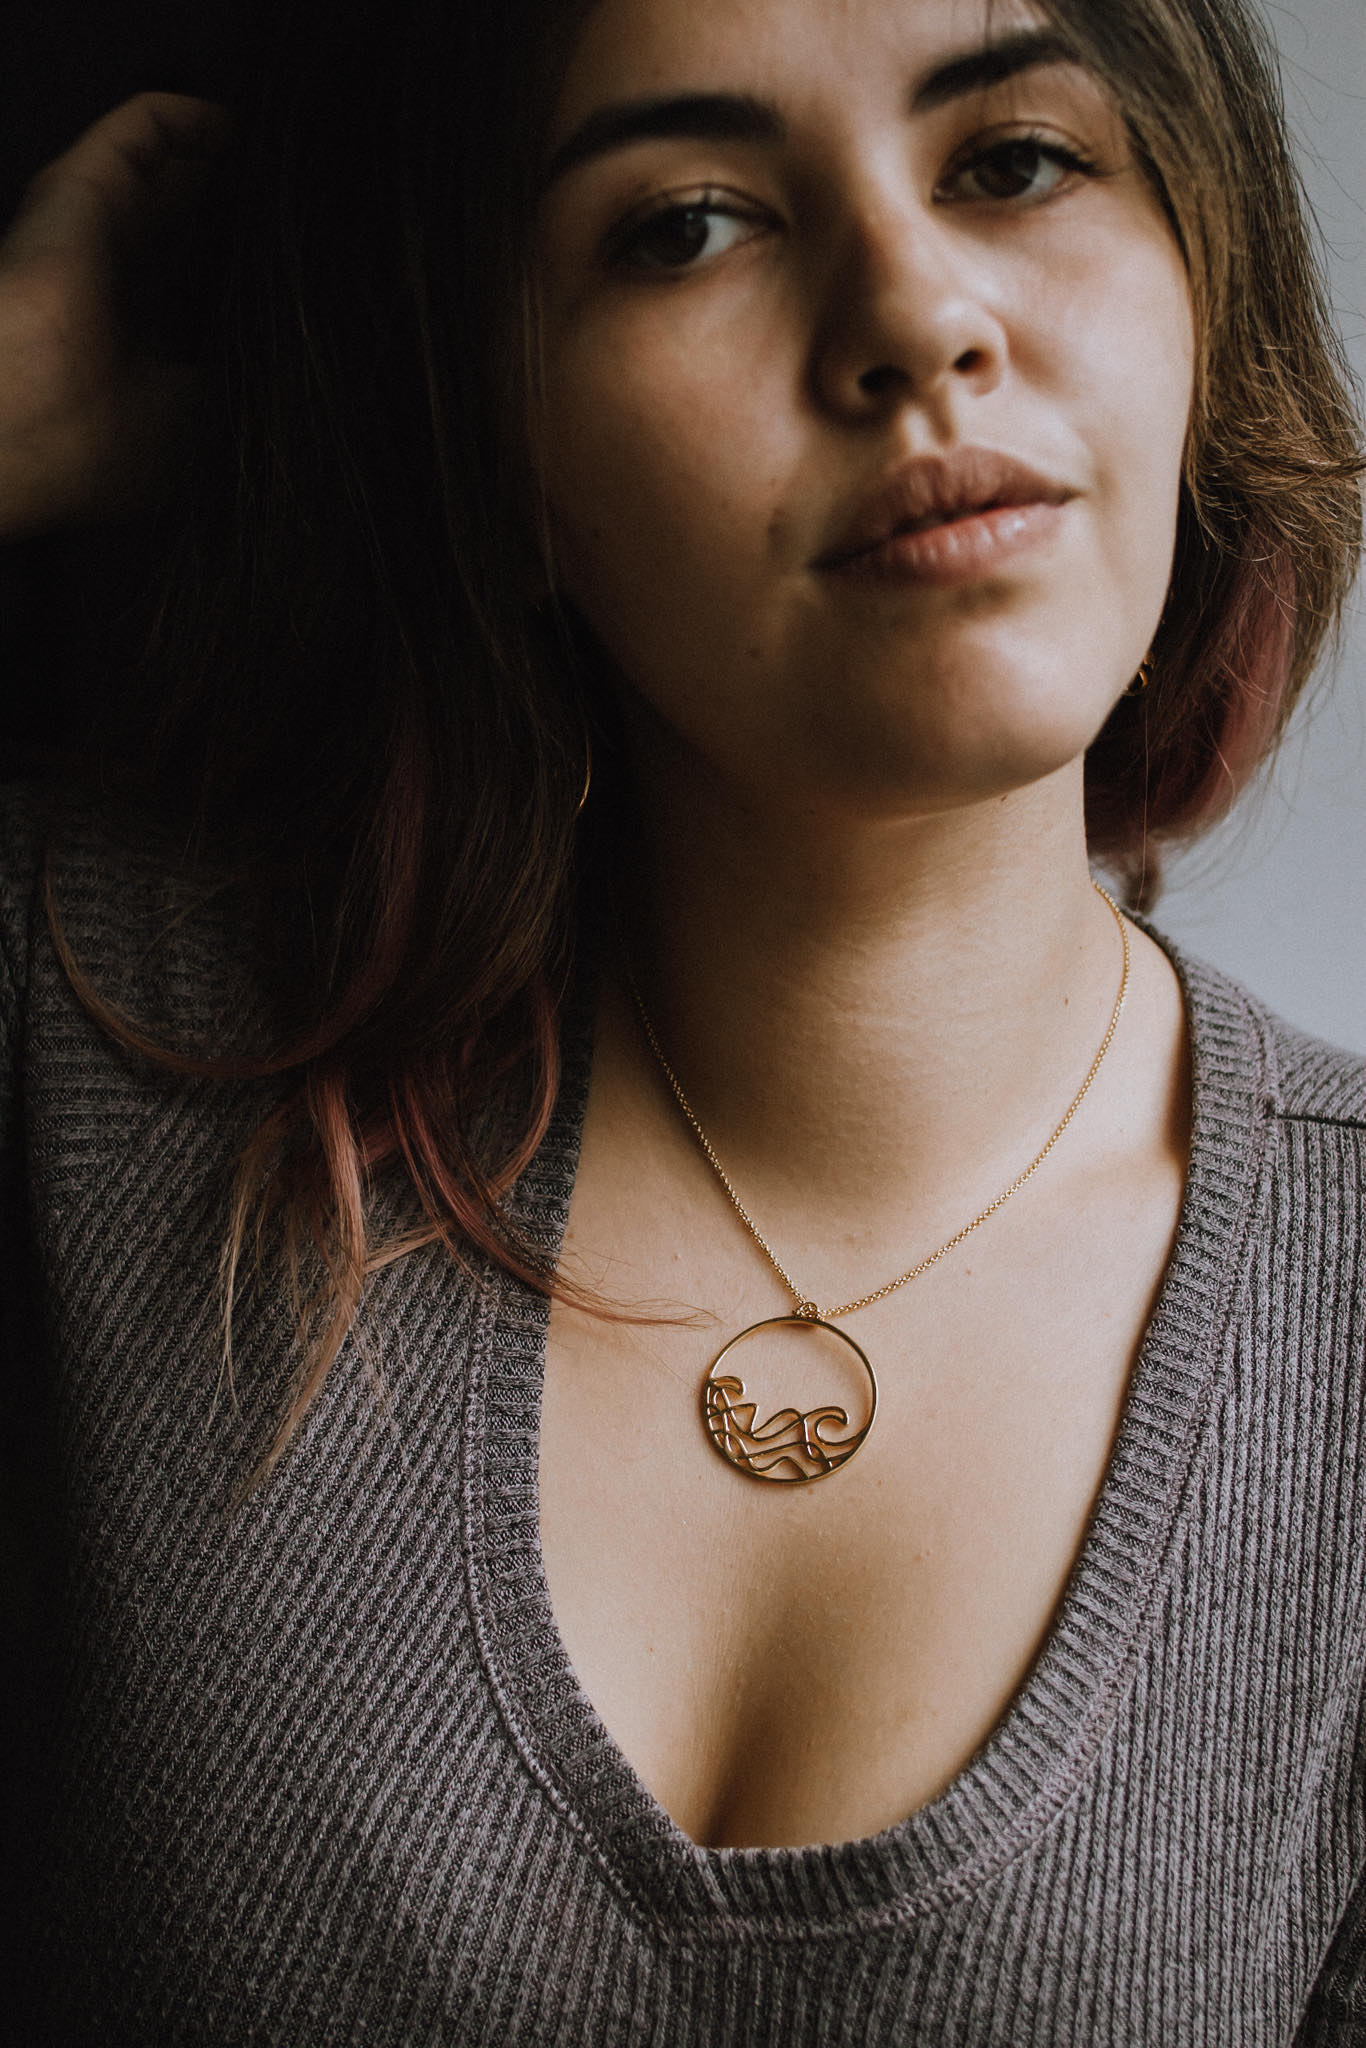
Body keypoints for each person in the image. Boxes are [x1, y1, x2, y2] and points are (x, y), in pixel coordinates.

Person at [1, 0, 1362, 2040]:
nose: (914, 319)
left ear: (1203, 286)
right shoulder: (94, 1029)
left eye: (1011, 162)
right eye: (686, 226)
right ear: (500, 437)